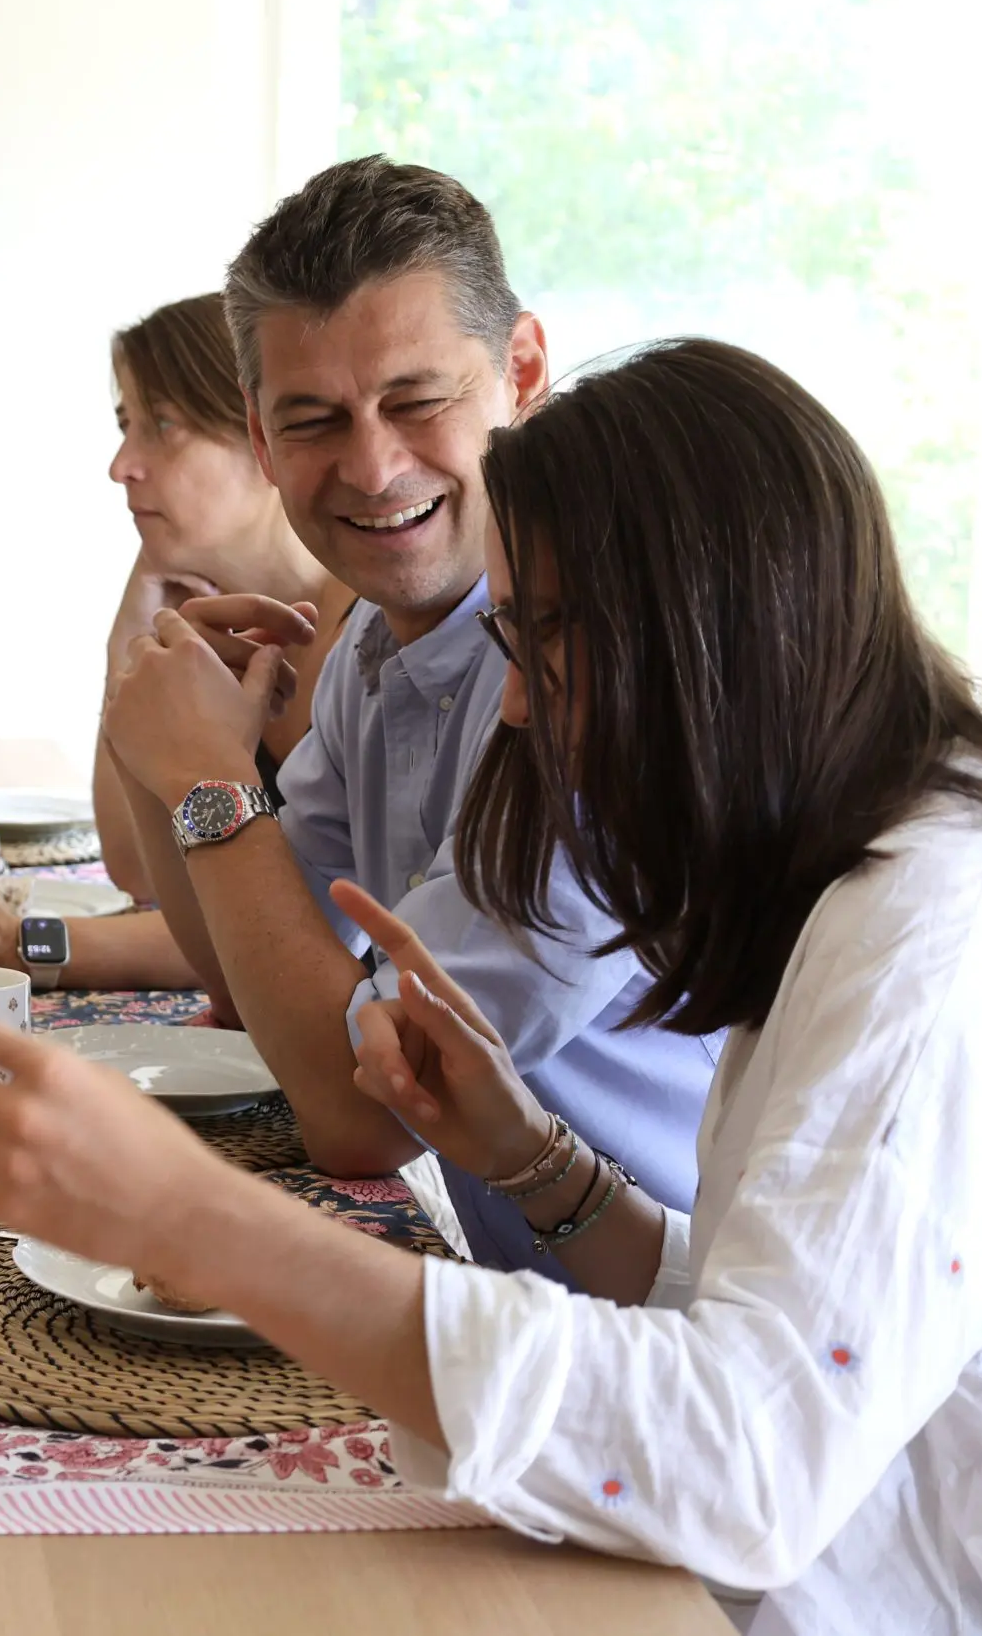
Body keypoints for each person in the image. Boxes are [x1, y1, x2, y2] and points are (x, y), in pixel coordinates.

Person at [0, 338, 982, 1634]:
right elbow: (787, 1326)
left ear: (719, 628)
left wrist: (196, 1220)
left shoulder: (934, 935)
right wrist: (536, 1164)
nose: (514, 705)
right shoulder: (855, 862)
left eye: (545, 637)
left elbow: (752, 1455)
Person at [97, 157, 719, 1280]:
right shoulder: (377, 644)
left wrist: (206, 779)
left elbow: (363, 1121)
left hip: (679, 1330)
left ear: (522, 372)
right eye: (314, 419)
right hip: (523, 1304)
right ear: (263, 436)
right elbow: (252, 979)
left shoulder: (588, 680)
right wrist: (161, 754)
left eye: (416, 401)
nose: (374, 467)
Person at [0, 295, 354, 994]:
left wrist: (19, 943)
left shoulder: (368, 639)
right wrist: (126, 647)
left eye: (162, 425)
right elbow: (138, 871)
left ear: (263, 439)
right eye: (125, 425)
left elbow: (289, 930)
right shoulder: (207, 635)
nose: (121, 465)